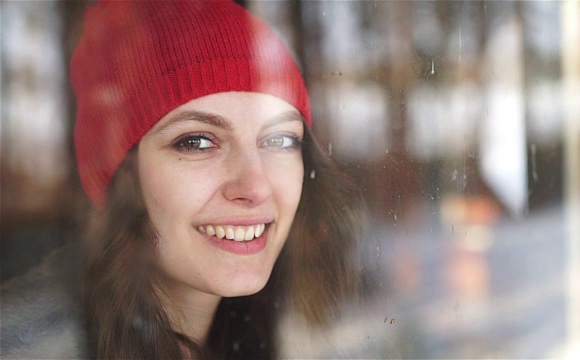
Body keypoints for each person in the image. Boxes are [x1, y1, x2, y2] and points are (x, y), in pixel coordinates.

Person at [0, 1, 363, 358]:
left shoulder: (304, 334)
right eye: (196, 142)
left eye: (280, 140)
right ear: (119, 177)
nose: (255, 186)